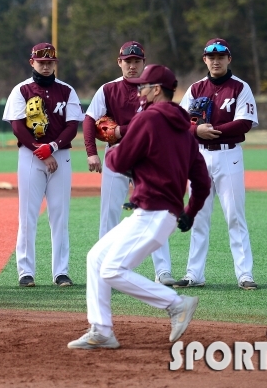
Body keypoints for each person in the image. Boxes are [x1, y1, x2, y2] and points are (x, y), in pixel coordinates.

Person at [68, 65, 211, 349]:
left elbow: (117, 162)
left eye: (143, 87)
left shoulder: (147, 120)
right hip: (158, 212)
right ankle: (102, 329)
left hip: (155, 213)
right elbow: (202, 181)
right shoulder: (185, 131)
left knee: (111, 269)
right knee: (96, 258)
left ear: (157, 89)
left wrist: (113, 140)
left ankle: (175, 304)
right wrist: (190, 213)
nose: (139, 93)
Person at [83, 40, 176, 286]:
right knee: (110, 213)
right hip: (117, 154)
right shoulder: (108, 89)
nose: (132, 66)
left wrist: (123, 129)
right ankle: (104, 269)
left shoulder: (155, 89)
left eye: (136, 61)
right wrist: (91, 152)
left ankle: (163, 271)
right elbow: (90, 119)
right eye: (127, 61)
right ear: (119, 62)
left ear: (143, 63)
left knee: (157, 211)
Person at [175, 38, 259, 291]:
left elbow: (245, 121)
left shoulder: (240, 88)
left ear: (228, 59)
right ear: (205, 60)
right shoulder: (195, 88)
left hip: (228, 155)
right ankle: (194, 274)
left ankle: (244, 274)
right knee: (199, 217)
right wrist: (196, 129)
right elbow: (179, 123)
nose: (216, 60)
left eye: (220, 56)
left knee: (235, 216)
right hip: (198, 156)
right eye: (211, 57)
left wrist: (214, 130)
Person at [2, 43, 84, 287]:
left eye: (50, 62)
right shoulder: (21, 90)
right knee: (27, 215)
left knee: (59, 215)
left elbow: (72, 126)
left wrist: (53, 148)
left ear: (55, 63)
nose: (46, 66)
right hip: (30, 156)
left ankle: (61, 272)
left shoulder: (67, 91)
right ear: (32, 63)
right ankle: (25, 272)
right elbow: (17, 126)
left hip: (60, 155)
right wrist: (41, 151)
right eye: (41, 62)